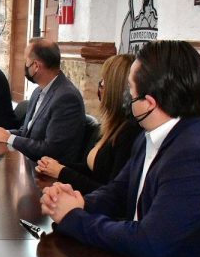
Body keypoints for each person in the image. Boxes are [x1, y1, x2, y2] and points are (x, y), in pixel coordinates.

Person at [40, 40, 200, 257]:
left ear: (149, 103)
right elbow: (118, 192)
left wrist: (73, 217)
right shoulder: (151, 136)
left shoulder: (197, 156)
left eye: (130, 88)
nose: (125, 95)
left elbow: (150, 242)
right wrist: (79, 203)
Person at [35, 53, 141, 194]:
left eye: (103, 81)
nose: (100, 86)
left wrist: (62, 172)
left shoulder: (129, 133)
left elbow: (111, 194)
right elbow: (92, 170)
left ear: (114, 89)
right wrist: (56, 165)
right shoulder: (111, 126)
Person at [0, 38, 85, 165]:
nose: (24, 65)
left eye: (26, 61)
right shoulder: (38, 91)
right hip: (30, 164)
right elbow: (26, 132)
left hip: (48, 172)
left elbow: (51, 150)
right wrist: (2, 133)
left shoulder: (66, 98)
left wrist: (8, 138)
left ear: (36, 66)